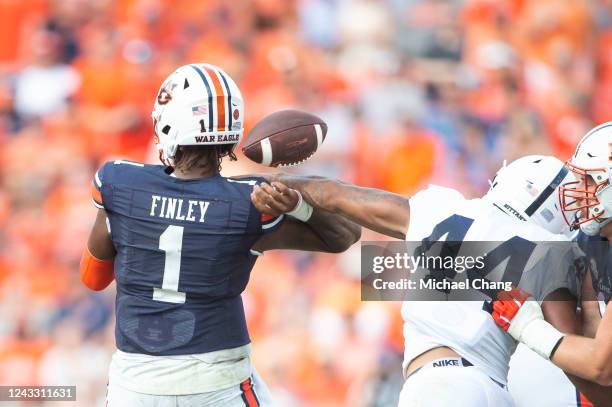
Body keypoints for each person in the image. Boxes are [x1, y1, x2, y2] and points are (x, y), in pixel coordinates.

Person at [80, 63, 361, 407]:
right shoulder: (250, 200)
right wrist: (297, 202)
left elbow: (92, 278)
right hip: (217, 383)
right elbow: (344, 236)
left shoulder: (119, 182)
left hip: (135, 386)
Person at [252, 155, 575, 406]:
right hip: (496, 388)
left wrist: (259, 185)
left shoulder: (444, 209)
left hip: (440, 387)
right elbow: (575, 355)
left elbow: (335, 194)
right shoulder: (550, 251)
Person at [490, 123, 612, 389]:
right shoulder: (594, 240)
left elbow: (602, 368)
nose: (577, 189)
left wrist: (529, 327)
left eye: (590, 179)